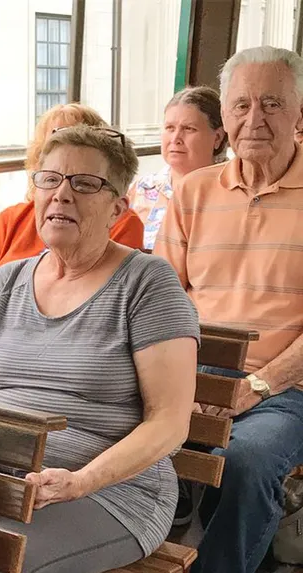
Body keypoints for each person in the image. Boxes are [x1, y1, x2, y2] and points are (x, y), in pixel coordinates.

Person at [0, 126, 200, 573]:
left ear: (118, 208)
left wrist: (80, 482)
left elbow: (169, 422)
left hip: (114, 493)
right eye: (50, 179)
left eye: (85, 184)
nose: (62, 195)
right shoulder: (5, 282)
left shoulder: (148, 284)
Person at [154, 46, 303, 573]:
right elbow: (160, 302)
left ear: (300, 113)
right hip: (193, 371)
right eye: (240, 106)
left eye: (271, 104)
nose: (254, 119)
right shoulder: (193, 192)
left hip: (285, 388)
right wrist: (184, 381)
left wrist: (252, 388)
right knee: (103, 424)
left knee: (245, 460)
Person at [0, 103, 145, 294]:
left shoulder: (123, 222)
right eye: (56, 142)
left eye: (84, 183)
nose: (62, 195)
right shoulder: (11, 220)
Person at [127, 86, 227, 250]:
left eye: (189, 129)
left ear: (217, 137)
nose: (175, 138)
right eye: (170, 128)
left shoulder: (233, 190)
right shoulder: (141, 189)